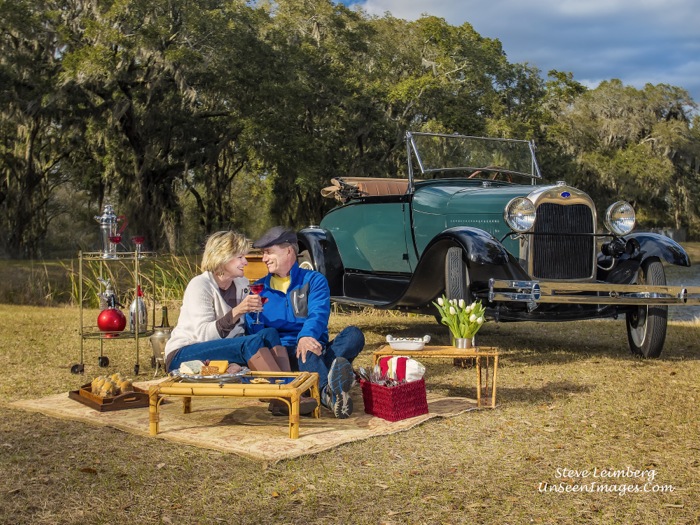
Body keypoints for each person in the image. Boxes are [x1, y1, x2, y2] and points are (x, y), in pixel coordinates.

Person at [164, 230, 317, 415]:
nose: (246, 262)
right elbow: (203, 336)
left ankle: (284, 395)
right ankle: (286, 396)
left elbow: (239, 334)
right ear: (222, 258)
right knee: (250, 342)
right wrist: (237, 311)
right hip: (185, 354)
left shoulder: (242, 284)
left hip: (219, 353)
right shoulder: (200, 285)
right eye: (240, 257)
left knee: (269, 333)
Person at [246, 226, 365, 419]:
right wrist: (252, 316)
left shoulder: (314, 280)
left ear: (288, 251)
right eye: (262, 253)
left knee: (354, 335)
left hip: (315, 344)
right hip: (285, 357)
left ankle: (318, 381)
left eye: (268, 252)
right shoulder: (259, 289)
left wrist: (307, 335)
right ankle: (330, 393)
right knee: (307, 352)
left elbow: (318, 314)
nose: (263, 258)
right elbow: (255, 333)